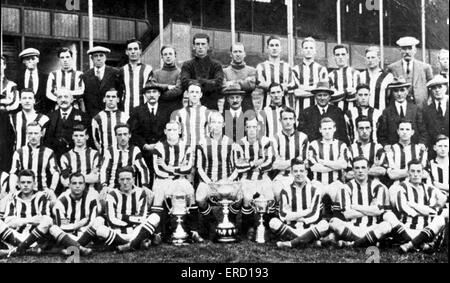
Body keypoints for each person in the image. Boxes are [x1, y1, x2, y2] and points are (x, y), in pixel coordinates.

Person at [0, 169, 91, 257]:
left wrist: (20, 221)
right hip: (17, 237)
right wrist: (31, 219)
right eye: (23, 182)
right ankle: (25, 249)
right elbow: (9, 222)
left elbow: (45, 220)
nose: (26, 185)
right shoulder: (13, 198)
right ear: (18, 184)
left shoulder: (41, 197)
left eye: (29, 182)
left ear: (34, 184)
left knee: (48, 222)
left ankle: (18, 250)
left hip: (36, 237)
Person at [80, 166, 160, 252]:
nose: (125, 182)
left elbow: (142, 218)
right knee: (100, 229)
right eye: (122, 179)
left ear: (133, 179)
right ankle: (136, 243)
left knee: (155, 217)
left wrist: (120, 216)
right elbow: (112, 219)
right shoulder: (112, 194)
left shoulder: (141, 193)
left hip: (136, 231)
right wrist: (131, 221)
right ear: (118, 180)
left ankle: (128, 245)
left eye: (128, 179)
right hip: (117, 232)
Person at [151, 120, 202, 243]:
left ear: (179, 131)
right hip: (162, 179)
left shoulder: (186, 146)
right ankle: (158, 233)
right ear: (165, 131)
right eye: (169, 130)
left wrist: (168, 167)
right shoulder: (159, 146)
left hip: (180, 179)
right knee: (158, 195)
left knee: (190, 193)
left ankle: (194, 231)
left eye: (175, 129)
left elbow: (188, 169)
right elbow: (157, 170)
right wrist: (178, 170)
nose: (172, 132)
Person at [328, 157, 392, 247]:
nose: (360, 171)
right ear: (353, 170)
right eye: (357, 168)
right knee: (334, 222)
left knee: (386, 226)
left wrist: (355, 207)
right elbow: (347, 214)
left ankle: (352, 244)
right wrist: (370, 209)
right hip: (352, 227)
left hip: (372, 227)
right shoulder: (345, 188)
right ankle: (368, 242)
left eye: (363, 167)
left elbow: (378, 211)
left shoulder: (378, 187)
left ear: (368, 169)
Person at [385, 159, 447, 253]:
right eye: (412, 171)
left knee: (441, 218)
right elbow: (404, 209)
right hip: (406, 230)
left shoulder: (429, 189)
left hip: (426, 231)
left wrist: (413, 205)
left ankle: (409, 245)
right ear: (408, 173)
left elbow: (436, 208)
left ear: (422, 173)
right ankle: (421, 245)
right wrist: (426, 211)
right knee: (388, 215)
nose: (416, 174)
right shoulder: (402, 187)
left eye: (418, 171)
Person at [195, 111, 239, 239]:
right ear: (209, 125)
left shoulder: (230, 142)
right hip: (209, 182)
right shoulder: (202, 142)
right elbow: (199, 166)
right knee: (199, 198)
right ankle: (212, 222)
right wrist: (209, 182)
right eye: (213, 122)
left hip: (226, 182)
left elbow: (237, 167)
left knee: (240, 197)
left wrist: (227, 181)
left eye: (219, 122)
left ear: (224, 124)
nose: (217, 125)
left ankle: (230, 220)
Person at [234, 115, 276, 239]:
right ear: (245, 128)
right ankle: (249, 228)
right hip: (247, 179)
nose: (252, 129)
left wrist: (258, 166)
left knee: (270, 198)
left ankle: (269, 227)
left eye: (254, 126)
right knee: (247, 198)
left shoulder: (266, 141)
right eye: (249, 127)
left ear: (258, 127)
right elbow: (238, 167)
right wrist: (254, 163)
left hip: (263, 177)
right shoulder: (239, 143)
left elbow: (269, 162)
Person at [272, 159, 329, 248]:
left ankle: (291, 243)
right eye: (295, 171)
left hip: (308, 228)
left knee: (324, 224)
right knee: (273, 222)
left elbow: (314, 215)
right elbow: (283, 215)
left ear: (306, 172)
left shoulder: (314, 190)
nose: (298, 174)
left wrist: (292, 215)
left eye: (301, 171)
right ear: (291, 173)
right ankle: (308, 241)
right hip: (291, 229)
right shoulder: (285, 191)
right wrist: (306, 211)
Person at [128, 82, 172, 182]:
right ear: (145, 95)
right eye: (148, 92)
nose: (151, 95)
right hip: (143, 152)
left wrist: (159, 145)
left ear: (159, 94)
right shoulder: (137, 111)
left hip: (162, 152)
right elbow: (133, 133)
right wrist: (144, 145)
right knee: (145, 178)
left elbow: (169, 130)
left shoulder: (167, 111)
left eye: (154, 92)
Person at [308, 117, 350, 219]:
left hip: (335, 182)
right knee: (313, 192)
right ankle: (316, 223)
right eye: (325, 129)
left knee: (341, 192)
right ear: (320, 130)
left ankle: (337, 222)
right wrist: (336, 165)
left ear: (334, 129)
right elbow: (313, 167)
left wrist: (324, 162)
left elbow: (344, 164)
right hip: (317, 181)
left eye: (330, 128)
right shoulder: (313, 144)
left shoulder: (341, 145)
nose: (327, 132)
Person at [9, 122, 59, 201]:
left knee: (57, 206)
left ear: (41, 134)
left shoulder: (49, 152)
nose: (33, 136)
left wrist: (52, 190)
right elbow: (13, 173)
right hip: (23, 191)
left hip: (42, 191)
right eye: (30, 133)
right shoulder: (19, 152)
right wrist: (12, 191)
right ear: (27, 134)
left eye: (36, 133)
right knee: (3, 205)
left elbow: (55, 172)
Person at [100, 123, 150, 197]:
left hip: (130, 189)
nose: (122, 137)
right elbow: (104, 169)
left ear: (129, 135)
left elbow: (143, 169)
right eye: (119, 135)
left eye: (125, 134)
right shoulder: (110, 151)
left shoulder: (135, 150)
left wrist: (145, 186)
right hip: (113, 188)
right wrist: (104, 186)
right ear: (116, 136)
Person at [53, 172, 100, 249]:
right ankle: (81, 248)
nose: (77, 186)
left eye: (80, 183)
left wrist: (81, 230)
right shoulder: (62, 201)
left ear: (84, 185)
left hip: (85, 234)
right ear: (69, 185)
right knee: (54, 229)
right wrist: (79, 224)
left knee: (99, 220)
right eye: (74, 183)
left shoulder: (91, 200)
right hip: (68, 235)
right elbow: (63, 226)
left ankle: (73, 247)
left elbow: (92, 222)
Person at [377, 77, 427, 147]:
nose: (399, 94)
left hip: (413, 149)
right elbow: (382, 135)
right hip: (394, 150)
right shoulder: (387, 112)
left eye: (402, 90)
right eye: (396, 91)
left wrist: (421, 144)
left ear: (407, 91)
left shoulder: (415, 109)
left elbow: (423, 132)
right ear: (392, 93)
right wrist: (386, 145)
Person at [180, 33, 224, 110]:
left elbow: (218, 84)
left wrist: (197, 82)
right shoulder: (187, 65)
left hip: (211, 106)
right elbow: (184, 82)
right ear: (193, 46)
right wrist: (208, 83)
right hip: (192, 106)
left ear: (208, 46)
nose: (200, 47)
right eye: (197, 44)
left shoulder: (216, 65)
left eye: (203, 44)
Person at [43, 88, 91, 158]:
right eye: (60, 97)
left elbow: (88, 140)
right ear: (56, 100)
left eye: (66, 97)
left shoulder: (83, 116)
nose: (63, 100)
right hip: (55, 156)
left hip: (75, 157)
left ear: (72, 100)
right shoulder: (49, 117)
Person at [298, 80, 349, 145]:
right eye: (319, 95)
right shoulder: (306, 112)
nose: (322, 98)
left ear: (329, 97)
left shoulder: (337, 111)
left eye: (325, 95)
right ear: (315, 97)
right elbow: (301, 135)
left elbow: (343, 134)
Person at [387, 36, 433, 108]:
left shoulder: (425, 67)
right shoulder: (392, 68)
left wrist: (428, 101)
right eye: (404, 49)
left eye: (410, 48)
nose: (407, 52)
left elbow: (431, 87)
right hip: (399, 107)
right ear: (400, 50)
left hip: (420, 107)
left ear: (415, 50)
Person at [256, 35, 295, 108]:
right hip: (267, 105)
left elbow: (291, 85)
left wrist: (269, 86)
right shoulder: (261, 66)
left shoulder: (287, 67)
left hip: (284, 105)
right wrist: (280, 87)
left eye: (277, 45)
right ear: (267, 48)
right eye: (272, 45)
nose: (274, 48)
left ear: (280, 48)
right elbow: (260, 83)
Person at [82, 46, 121, 118]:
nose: (99, 58)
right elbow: (86, 98)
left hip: (111, 114)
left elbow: (120, 93)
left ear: (105, 57)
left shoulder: (115, 73)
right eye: (95, 56)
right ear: (92, 59)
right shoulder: (86, 76)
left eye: (101, 55)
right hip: (92, 115)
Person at [271, 106, 309, 180]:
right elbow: (274, 165)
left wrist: (283, 163)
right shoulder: (275, 139)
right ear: (280, 120)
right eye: (285, 119)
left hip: (300, 176)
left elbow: (304, 163)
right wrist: (296, 160)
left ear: (294, 120)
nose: (288, 122)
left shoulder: (303, 137)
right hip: (281, 176)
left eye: (290, 119)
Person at [292, 37, 328, 112]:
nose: (308, 50)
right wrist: (315, 89)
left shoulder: (321, 69)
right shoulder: (295, 69)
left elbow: (322, 92)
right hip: (300, 109)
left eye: (311, 48)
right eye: (306, 48)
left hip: (317, 109)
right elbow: (296, 92)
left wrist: (302, 87)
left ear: (315, 51)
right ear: (302, 51)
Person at [60, 124, 100, 190]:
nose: (78, 138)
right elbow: (65, 181)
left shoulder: (95, 154)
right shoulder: (65, 157)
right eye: (76, 136)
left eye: (81, 135)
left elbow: (96, 178)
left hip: (90, 190)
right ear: (72, 137)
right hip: (71, 191)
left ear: (87, 137)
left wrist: (73, 178)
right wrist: (88, 177)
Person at [120, 39, 153, 117]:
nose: (133, 52)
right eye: (130, 49)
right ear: (126, 52)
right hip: (126, 111)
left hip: (144, 110)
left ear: (140, 51)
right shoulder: (122, 70)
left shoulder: (148, 69)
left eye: (135, 49)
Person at [170, 82, 211, 146]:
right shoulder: (178, 113)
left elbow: (210, 134)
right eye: (192, 92)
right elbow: (174, 135)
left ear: (201, 95)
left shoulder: (208, 112)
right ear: (187, 94)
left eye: (197, 92)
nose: (194, 95)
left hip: (203, 148)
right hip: (184, 148)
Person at [92, 88, 129, 154]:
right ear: (104, 99)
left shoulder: (125, 116)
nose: (111, 99)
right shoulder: (97, 118)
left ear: (118, 100)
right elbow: (95, 139)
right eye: (108, 97)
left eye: (113, 97)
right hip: (105, 155)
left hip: (122, 154)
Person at [357, 46, 394, 111]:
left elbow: (391, 98)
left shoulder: (388, 76)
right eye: (368, 58)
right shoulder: (361, 75)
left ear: (379, 58)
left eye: (373, 57)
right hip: (364, 115)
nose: (370, 60)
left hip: (381, 113)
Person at [223, 43, 257, 110]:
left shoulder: (251, 70)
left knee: (250, 120)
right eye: (235, 52)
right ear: (231, 54)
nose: (238, 54)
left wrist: (231, 83)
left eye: (240, 51)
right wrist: (244, 82)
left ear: (244, 54)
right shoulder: (224, 71)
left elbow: (251, 86)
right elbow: (222, 87)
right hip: (229, 107)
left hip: (247, 106)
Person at [151, 45, 183, 114]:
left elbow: (178, 91)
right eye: (165, 54)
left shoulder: (180, 73)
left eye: (170, 54)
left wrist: (158, 95)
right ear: (162, 57)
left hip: (176, 109)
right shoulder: (156, 73)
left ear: (175, 56)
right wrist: (167, 87)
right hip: (159, 110)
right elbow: (152, 87)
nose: (168, 56)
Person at [328, 45, 360, 112]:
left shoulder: (356, 73)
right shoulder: (330, 76)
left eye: (343, 54)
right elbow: (331, 97)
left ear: (347, 56)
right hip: (336, 112)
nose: (340, 57)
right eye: (337, 55)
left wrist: (338, 93)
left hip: (353, 111)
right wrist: (347, 91)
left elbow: (355, 96)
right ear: (334, 57)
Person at [422, 76, 449, 156]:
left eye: (440, 87)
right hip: (434, 152)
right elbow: (425, 132)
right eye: (434, 88)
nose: (437, 90)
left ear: (446, 88)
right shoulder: (426, 110)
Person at [16, 48, 49, 114]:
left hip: (42, 113)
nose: (30, 61)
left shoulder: (46, 77)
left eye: (33, 58)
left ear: (38, 60)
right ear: (23, 61)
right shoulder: (17, 78)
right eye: (27, 59)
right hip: (23, 113)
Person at [427, 135, 449, 201]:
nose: (443, 149)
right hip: (437, 199)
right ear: (434, 147)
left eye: (445, 146)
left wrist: (439, 185)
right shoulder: (429, 165)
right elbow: (429, 186)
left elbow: (435, 184)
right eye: (440, 146)